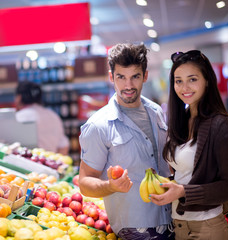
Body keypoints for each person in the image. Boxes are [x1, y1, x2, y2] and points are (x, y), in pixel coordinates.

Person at [78, 43, 174, 239]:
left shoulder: (156, 111)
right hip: (135, 229)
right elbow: (85, 182)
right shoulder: (98, 125)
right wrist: (110, 187)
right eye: (121, 77)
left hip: (173, 217)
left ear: (145, 76)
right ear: (111, 77)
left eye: (135, 77)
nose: (128, 86)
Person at [150, 50, 228, 239]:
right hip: (179, 225)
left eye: (192, 79)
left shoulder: (221, 124)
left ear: (207, 81)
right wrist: (166, 183)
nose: (184, 87)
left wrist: (183, 191)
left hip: (208, 227)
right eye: (178, 81)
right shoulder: (181, 121)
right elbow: (186, 173)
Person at [14, 81, 70, 155]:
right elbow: (63, 146)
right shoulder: (53, 116)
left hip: (25, 164)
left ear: (19, 97)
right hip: (50, 163)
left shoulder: (17, 118)